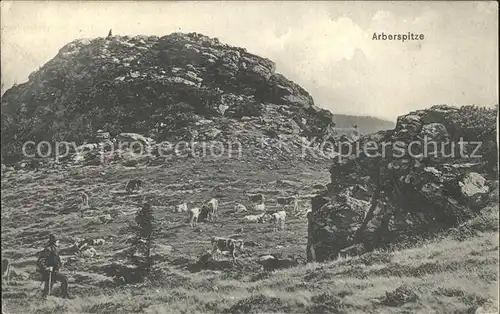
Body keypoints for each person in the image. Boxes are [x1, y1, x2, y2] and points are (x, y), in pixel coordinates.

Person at [36, 234, 71, 299]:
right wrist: (46, 268)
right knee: (64, 278)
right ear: (55, 242)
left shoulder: (54, 249)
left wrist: (61, 263)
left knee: (47, 289)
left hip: (53, 271)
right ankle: (65, 295)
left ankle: (42, 300)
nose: (59, 242)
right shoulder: (48, 249)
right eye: (58, 241)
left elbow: (54, 260)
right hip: (49, 272)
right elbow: (41, 260)